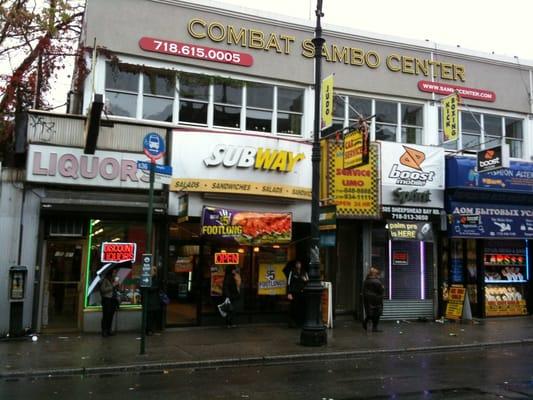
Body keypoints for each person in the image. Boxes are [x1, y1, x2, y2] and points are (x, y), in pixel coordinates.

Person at [362, 267, 384, 332]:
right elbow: (381, 291)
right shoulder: (377, 282)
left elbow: (364, 290)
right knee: (377, 314)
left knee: (370, 313)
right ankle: (375, 328)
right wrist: (382, 288)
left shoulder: (366, 281)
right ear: (375, 274)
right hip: (376, 300)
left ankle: (365, 322)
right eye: (378, 274)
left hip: (368, 300)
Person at [287, 260, 308, 328]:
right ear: (295, 265)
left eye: (299, 264)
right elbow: (289, 282)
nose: (298, 265)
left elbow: (307, 281)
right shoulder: (292, 272)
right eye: (297, 264)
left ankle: (300, 322)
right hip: (294, 292)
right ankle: (293, 322)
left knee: (301, 307)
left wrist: (305, 280)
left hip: (302, 292)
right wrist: (289, 293)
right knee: (294, 307)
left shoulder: (304, 272)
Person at [100, 270, 119, 337]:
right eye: (114, 273)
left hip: (113, 300)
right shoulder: (105, 280)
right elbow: (103, 290)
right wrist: (112, 286)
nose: (115, 274)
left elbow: (115, 290)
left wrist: (117, 285)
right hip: (107, 300)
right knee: (106, 316)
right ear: (110, 273)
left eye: (115, 273)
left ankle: (109, 330)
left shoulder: (113, 280)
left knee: (111, 316)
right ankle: (104, 331)